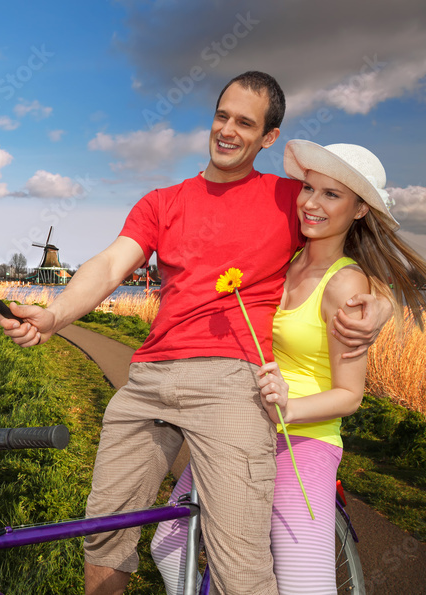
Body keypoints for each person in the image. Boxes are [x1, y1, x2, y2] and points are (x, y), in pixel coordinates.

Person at [0, 71, 392, 595]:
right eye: (222, 116)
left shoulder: (289, 199)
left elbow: (345, 246)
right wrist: (56, 314)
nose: (227, 130)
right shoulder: (162, 202)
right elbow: (112, 263)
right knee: (105, 534)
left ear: (268, 137)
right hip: (148, 379)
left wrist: (381, 302)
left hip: (234, 383)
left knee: (239, 566)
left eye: (245, 123)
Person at [150, 141, 426, 594]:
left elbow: (350, 395)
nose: (311, 203)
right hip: (239, 432)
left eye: (331, 194)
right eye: (309, 188)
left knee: (303, 586)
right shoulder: (286, 261)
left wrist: (288, 408)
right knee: (170, 544)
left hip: (303, 441)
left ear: (360, 210)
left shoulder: (347, 286)